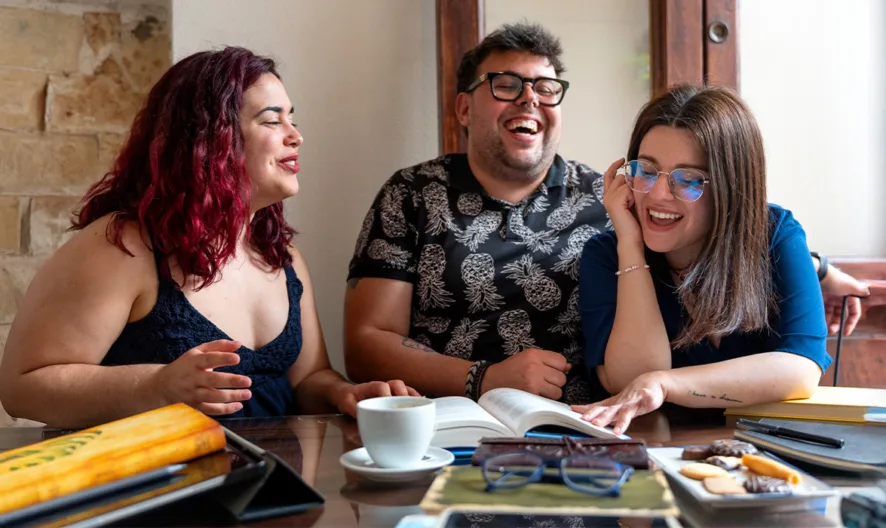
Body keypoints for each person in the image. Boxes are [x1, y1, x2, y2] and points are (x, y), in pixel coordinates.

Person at [343, 22, 867, 406]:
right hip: (452, 417)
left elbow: (723, 223)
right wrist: (483, 378)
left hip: (589, 422)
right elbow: (366, 346)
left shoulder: (608, 196)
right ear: (464, 108)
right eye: (506, 85)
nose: (529, 100)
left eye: (545, 88)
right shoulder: (413, 194)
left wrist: (820, 269)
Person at [0, 47, 416, 429]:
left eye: (292, 118)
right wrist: (158, 386)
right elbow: (22, 388)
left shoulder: (282, 256)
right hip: (154, 483)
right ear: (211, 137)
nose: (295, 135)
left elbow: (307, 378)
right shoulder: (123, 247)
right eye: (272, 120)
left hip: (271, 483)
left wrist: (343, 393)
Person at [571, 84, 853, 435]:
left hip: (760, 450)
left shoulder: (774, 233)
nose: (658, 194)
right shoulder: (605, 254)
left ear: (731, 187)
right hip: (651, 448)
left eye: (688, 179)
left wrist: (666, 384)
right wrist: (630, 244)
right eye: (646, 170)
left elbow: (800, 369)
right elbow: (631, 381)